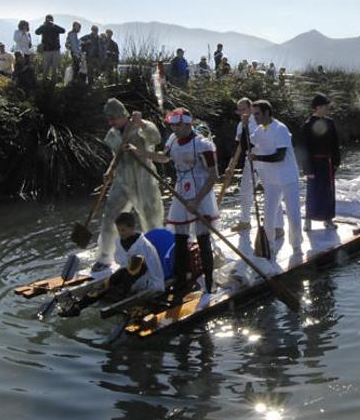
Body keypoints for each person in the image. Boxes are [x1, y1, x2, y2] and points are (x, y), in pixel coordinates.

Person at [127, 108, 220, 297]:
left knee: (203, 240)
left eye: (178, 125)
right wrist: (139, 152)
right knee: (180, 239)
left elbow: (213, 176)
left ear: (188, 124)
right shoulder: (172, 140)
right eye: (173, 125)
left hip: (201, 192)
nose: (175, 129)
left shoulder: (204, 145)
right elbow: (163, 157)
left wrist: (197, 200)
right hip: (181, 190)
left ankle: (209, 285)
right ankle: (181, 283)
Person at [93, 99, 165, 272]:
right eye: (109, 120)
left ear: (123, 116)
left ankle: (158, 255)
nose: (111, 123)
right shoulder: (112, 134)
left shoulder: (140, 127)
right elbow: (115, 156)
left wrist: (141, 123)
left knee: (151, 217)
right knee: (110, 216)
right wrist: (110, 171)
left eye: (114, 119)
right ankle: (104, 258)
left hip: (144, 178)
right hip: (122, 180)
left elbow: (156, 138)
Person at [57, 211, 165, 317]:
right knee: (108, 282)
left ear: (132, 228)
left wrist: (118, 286)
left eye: (123, 230)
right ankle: (78, 307)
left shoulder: (143, 246)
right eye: (118, 230)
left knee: (128, 269)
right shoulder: (119, 241)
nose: (120, 233)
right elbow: (120, 263)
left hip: (148, 280)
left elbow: (139, 271)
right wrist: (112, 281)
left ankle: (122, 298)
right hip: (129, 273)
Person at [248, 100, 303, 254]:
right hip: (272, 179)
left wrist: (257, 158)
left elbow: (279, 156)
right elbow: (250, 142)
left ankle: (296, 246)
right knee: (269, 213)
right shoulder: (260, 129)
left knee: (293, 214)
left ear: (267, 113)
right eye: (254, 114)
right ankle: (269, 245)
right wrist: (245, 130)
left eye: (257, 114)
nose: (255, 117)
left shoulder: (280, 129)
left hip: (288, 177)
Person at [228, 97, 281, 232]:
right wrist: (231, 165)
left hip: (265, 160)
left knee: (271, 192)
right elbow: (239, 146)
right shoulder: (241, 125)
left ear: (250, 108)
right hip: (250, 161)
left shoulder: (260, 121)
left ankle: (278, 226)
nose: (241, 113)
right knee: (245, 191)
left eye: (243, 109)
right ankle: (245, 221)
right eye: (238, 110)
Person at [301, 93, 341, 231]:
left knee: (329, 192)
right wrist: (308, 169)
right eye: (324, 106)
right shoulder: (308, 125)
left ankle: (328, 219)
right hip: (314, 164)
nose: (326, 108)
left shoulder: (330, 123)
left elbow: (335, 144)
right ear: (317, 107)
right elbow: (304, 148)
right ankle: (308, 220)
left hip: (328, 163)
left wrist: (336, 162)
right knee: (312, 192)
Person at [35, 14, 65, 79]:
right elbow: (37, 32)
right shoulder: (43, 27)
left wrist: (54, 25)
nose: (49, 21)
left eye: (50, 19)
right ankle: (44, 83)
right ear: (45, 20)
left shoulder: (55, 27)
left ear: (52, 20)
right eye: (48, 19)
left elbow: (63, 31)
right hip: (46, 50)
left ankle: (53, 84)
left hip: (55, 50)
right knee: (46, 68)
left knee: (55, 68)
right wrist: (43, 26)